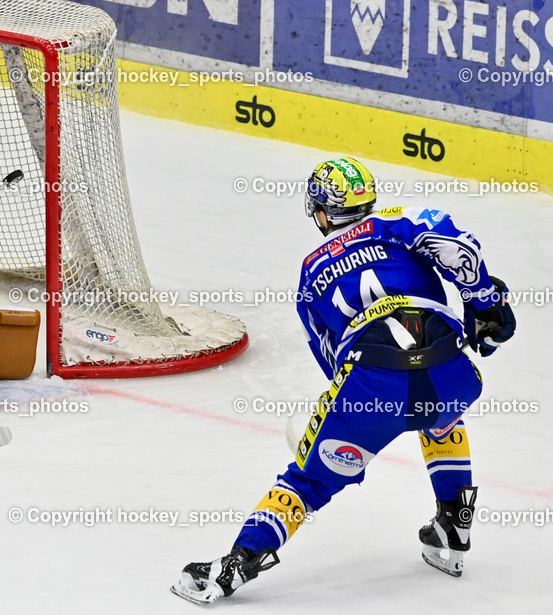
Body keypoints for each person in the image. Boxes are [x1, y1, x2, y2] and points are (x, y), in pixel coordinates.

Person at [171, 157, 517, 604]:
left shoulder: (310, 276)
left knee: (307, 482)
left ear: (321, 212)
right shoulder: (396, 222)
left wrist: (347, 419)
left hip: (372, 385)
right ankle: (453, 526)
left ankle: (233, 568)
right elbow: (459, 249)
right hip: (454, 374)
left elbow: (331, 359)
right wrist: (486, 304)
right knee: (440, 415)